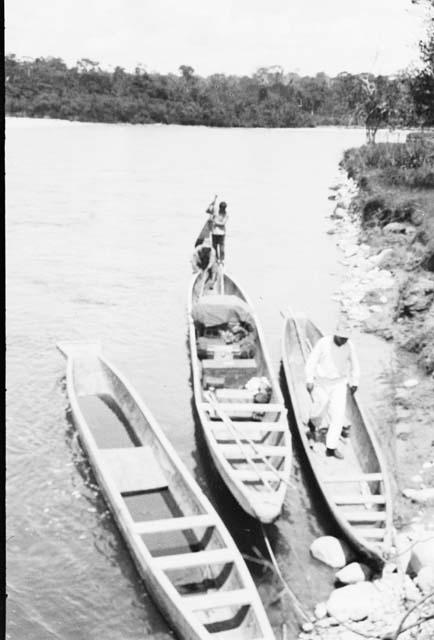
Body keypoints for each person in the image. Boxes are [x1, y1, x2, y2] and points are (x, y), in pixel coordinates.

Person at [305, 321, 360, 459]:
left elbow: (355, 365)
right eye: (341, 337)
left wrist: (355, 382)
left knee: (338, 415)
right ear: (335, 334)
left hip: (339, 383)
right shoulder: (324, 343)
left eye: (346, 338)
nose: (343, 340)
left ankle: (331, 447)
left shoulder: (349, 346)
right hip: (322, 382)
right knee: (320, 407)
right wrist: (309, 379)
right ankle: (312, 425)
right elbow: (312, 361)